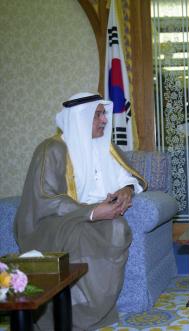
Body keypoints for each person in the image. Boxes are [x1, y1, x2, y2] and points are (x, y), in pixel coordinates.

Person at [14, 92, 146, 330]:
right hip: (52, 224)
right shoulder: (51, 149)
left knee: (118, 229)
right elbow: (46, 199)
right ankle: (70, 314)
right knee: (79, 237)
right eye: (98, 115)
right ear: (79, 118)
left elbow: (125, 176)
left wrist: (126, 189)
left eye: (104, 113)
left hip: (90, 217)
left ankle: (97, 310)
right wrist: (93, 213)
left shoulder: (103, 146)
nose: (105, 120)